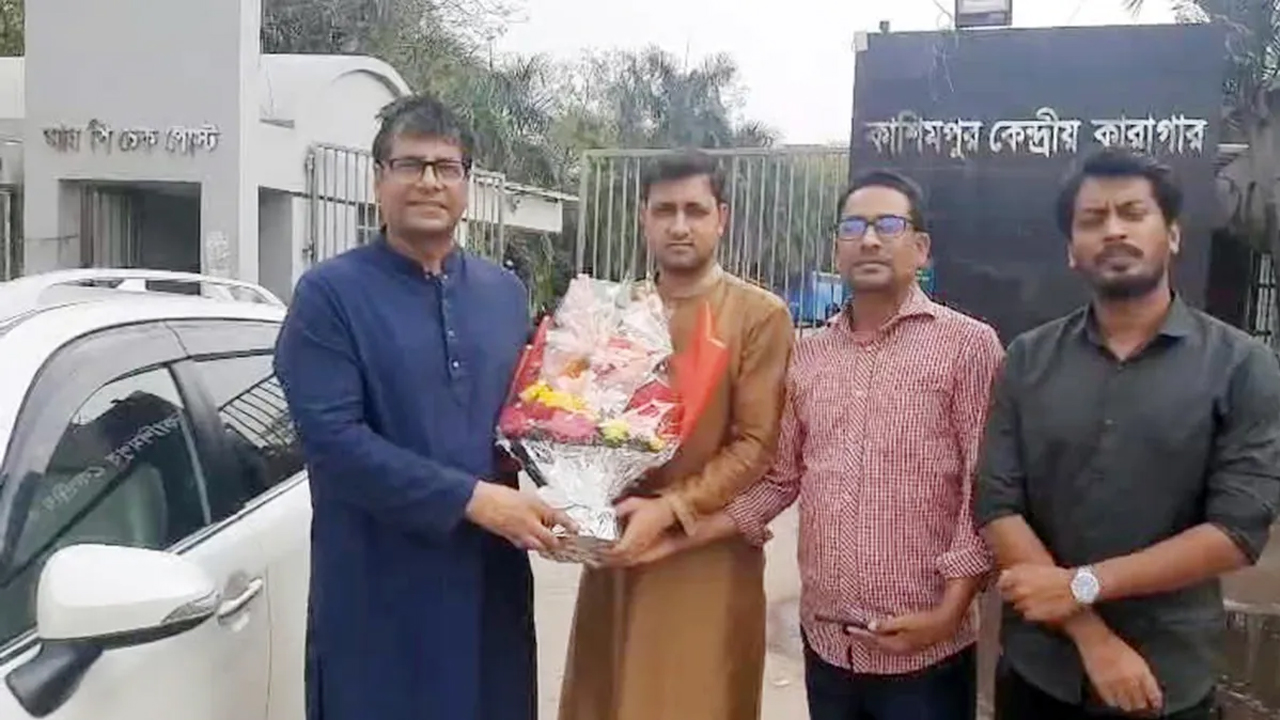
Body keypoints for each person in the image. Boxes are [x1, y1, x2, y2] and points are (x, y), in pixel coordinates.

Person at [641, 169, 1003, 720]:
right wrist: (674, 533)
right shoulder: (809, 355)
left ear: (921, 247)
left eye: (888, 226)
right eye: (853, 227)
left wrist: (950, 612)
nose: (870, 240)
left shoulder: (968, 347)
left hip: (927, 650)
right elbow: (779, 481)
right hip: (830, 647)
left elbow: (984, 489)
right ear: (837, 249)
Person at [274, 93, 571, 720]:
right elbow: (334, 442)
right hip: (379, 599)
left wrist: (583, 479)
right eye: (410, 164)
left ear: (467, 185)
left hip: (489, 591)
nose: (429, 181)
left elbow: (527, 420)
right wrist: (474, 499)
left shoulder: (503, 294)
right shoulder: (328, 296)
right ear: (378, 180)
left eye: (446, 166)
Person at [975, 147, 1280, 720]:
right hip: (1037, 670)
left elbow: (1236, 530)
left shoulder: (1242, 366)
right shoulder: (1028, 358)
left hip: (1163, 681)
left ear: (1173, 235)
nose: (1113, 230)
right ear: (1072, 250)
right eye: (1093, 219)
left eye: (1133, 212)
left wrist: (1082, 584)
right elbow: (997, 504)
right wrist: (1090, 632)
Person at [556, 150, 796, 720]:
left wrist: (670, 509)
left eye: (695, 210)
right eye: (665, 210)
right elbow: (574, 419)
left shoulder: (758, 315)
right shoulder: (613, 311)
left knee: (693, 699)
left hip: (705, 556)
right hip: (617, 545)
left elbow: (756, 445)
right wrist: (574, 499)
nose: (680, 225)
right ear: (644, 218)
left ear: (722, 218)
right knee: (607, 695)